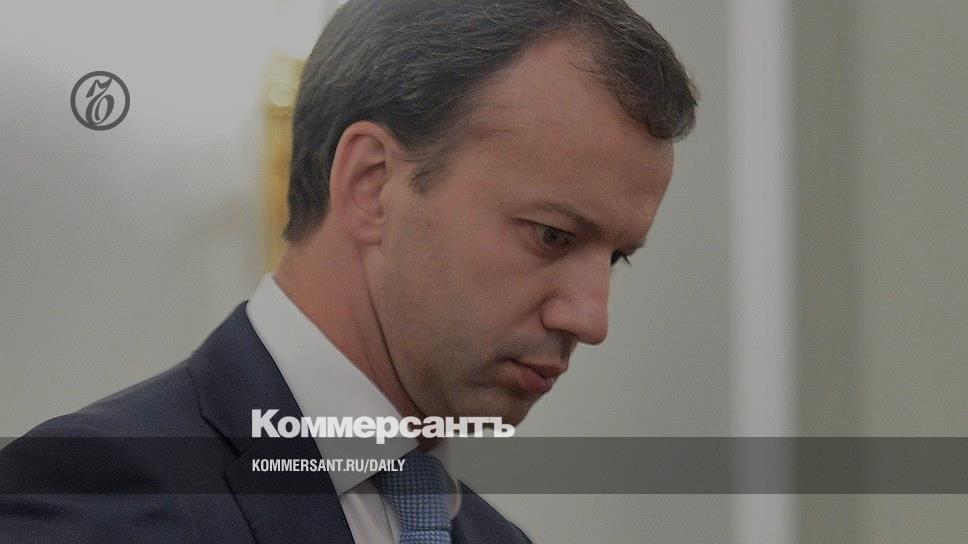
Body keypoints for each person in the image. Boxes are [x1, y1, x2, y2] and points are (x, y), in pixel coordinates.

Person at [0, 0, 696, 542]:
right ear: (371, 184)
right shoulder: (103, 501)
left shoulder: (496, 538)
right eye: (552, 236)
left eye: (615, 257)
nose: (592, 319)